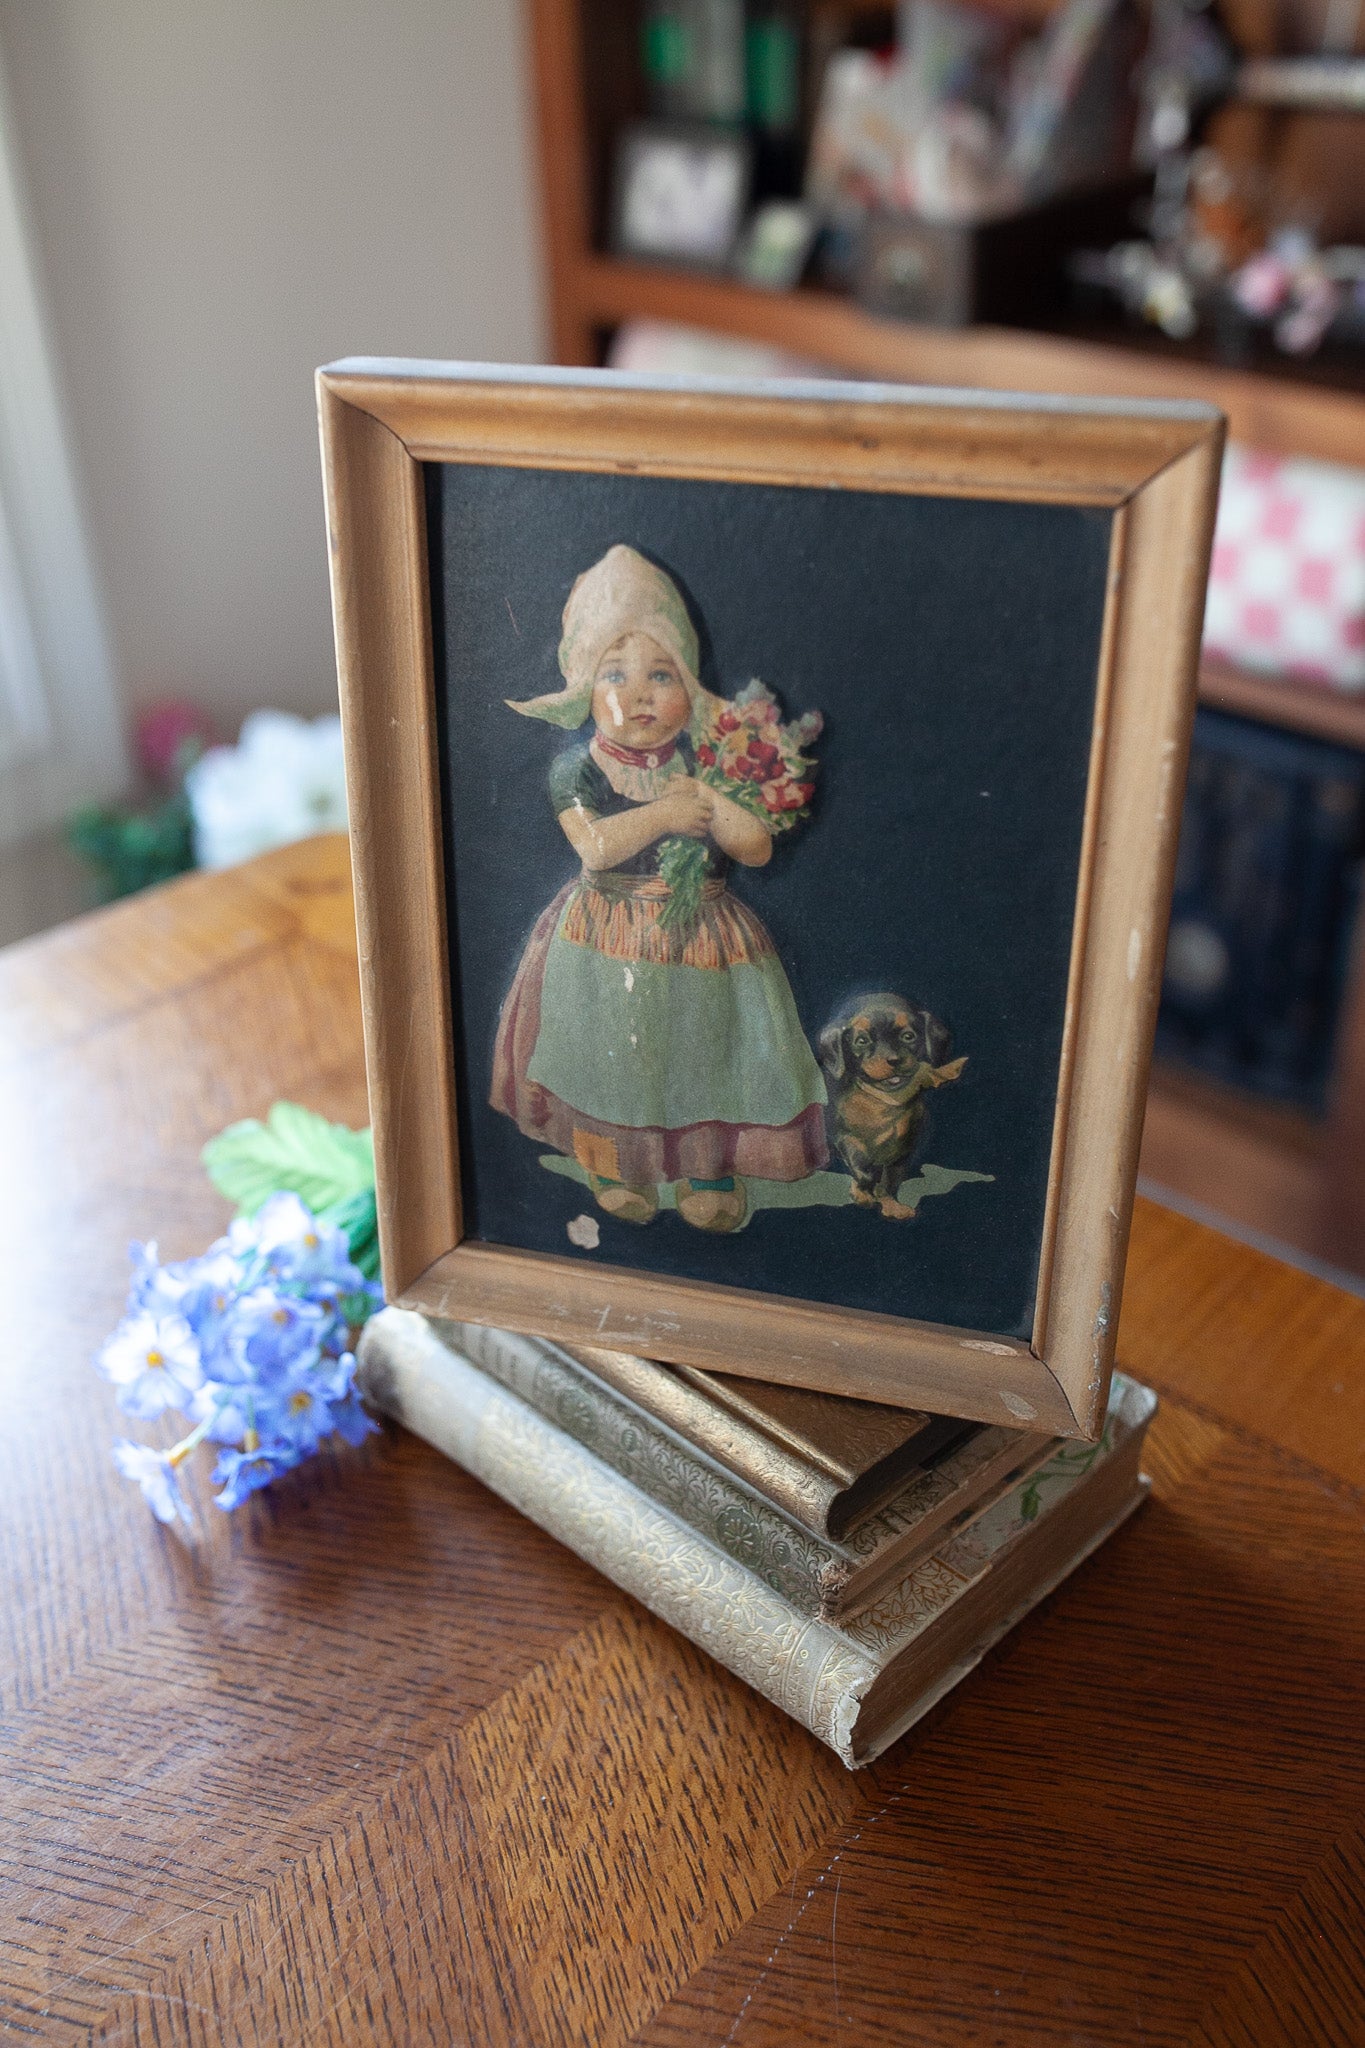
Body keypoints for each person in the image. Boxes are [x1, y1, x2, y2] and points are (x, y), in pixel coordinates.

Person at [490, 543, 826, 1233]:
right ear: (585, 689)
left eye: (660, 673)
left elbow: (755, 848)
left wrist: (708, 796)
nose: (638, 692)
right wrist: (666, 813)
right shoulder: (576, 773)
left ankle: (709, 1171)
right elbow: (595, 846)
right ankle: (616, 1168)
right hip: (603, 937)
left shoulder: (708, 761)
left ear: (691, 688)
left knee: (707, 1052)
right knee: (610, 1057)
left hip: (703, 939)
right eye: (614, 673)